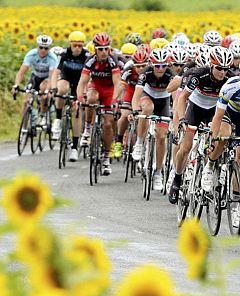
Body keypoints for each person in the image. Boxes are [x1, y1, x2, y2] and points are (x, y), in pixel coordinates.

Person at [171, 46, 233, 193]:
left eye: (225, 69)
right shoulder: (199, 74)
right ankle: (177, 178)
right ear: (211, 65)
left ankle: (209, 168)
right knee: (185, 148)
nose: (222, 72)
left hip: (214, 111)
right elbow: (183, 98)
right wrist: (181, 119)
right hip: (195, 109)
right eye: (219, 68)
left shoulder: (229, 79)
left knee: (220, 138)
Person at [130, 47, 180, 188]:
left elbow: (175, 98)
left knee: (161, 137)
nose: (160, 69)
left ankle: (158, 172)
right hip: (148, 97)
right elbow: (136, 95)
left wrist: (176, 113)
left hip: (163, 102)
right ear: (151, 64)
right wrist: (135, 110)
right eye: (157, 66)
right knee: (147, 108)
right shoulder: (145, 73)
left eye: (163, 66)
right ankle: (140, 142)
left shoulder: (170, 75)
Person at [76, 32, 121, 175]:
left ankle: (106, 157)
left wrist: (115, 101)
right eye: (100, 49)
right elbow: (82, 82)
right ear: (95, 49)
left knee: (108, 124)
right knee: (90, 99)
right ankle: (88, 128)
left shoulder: (112, 61)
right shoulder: (90, 61)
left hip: (109, 91)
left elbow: (118, 83)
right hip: (95, 87)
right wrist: (79, 98)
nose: (104, 52)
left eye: (106, 48)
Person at [49, 31, 88, 161]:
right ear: (70, 44)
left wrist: (84, 93)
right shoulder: (64, 53)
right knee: (61, 89)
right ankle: (58, 118)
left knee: (77, 111)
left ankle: (75, 148)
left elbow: (90, 77)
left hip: (79, 82)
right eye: (74, 45)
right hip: (66, 77)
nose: (77, 48)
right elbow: (56, 73)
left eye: (80, 46)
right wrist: (53, 88)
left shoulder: (87, 55)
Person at [12, 35, 59, 129]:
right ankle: (24, 127)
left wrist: (47, 91)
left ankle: (43, 115)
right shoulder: (31, 54)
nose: (43, 50)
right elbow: (21, 72)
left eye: (46, 48)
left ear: (49, 48)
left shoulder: (52, 58)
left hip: (47, 78)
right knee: (26, 100)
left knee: (43, 90)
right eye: (41, 47)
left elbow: (51, 77)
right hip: (35, 77)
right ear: (37, 46)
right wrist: (16, 85)